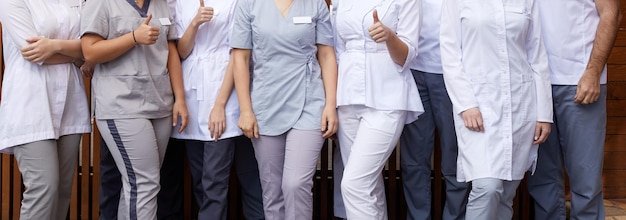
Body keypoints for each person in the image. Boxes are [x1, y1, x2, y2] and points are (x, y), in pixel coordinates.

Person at [440, 0, 553, 219]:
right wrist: (466, 104)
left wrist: (544, 114)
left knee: (506, 194)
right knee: (487, 187)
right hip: (477, 107)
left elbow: (537, 55)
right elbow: (450, 54)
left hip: (521, 105)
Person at [80, 0, 189, 218]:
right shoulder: (101, 3)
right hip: (122, 105)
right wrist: (133, 38)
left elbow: (171, 50)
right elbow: (89, 51)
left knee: (139, 185)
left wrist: (180, 99)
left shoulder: (161, 5)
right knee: (144, 183)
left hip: (160, 106)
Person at [230, 0, 339, 218]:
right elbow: (240, 58)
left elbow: (326, 55)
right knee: (272, 190)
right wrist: (246, 110)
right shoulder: (248, 4)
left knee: (295, 183)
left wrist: (330, 104)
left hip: (309, 99)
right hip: (265, 103)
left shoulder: (315, 4)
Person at [527, 0, 621, 219]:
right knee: (542, 179)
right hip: (534, 83)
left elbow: (612, 14)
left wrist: (593, 72)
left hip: (579, 81)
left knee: (585, 178)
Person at [0, 0, 92, 219]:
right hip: (31, 105)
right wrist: (78, 52)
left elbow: (93, 43)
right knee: (44, 186)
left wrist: (54, 46)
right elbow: (33, 52)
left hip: (70, 103)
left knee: (62, 192)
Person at [332, 0, 424, 218]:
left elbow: (407, 55)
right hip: (347, 96)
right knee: (367, 185)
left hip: (387, 97)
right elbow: (337, 51)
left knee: (354, 184)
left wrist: (390, 36)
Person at [399, 0, 469, 219]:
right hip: (412, 71)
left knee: (455, 158)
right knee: (414, 160)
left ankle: (454, 216)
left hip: (452, 73)